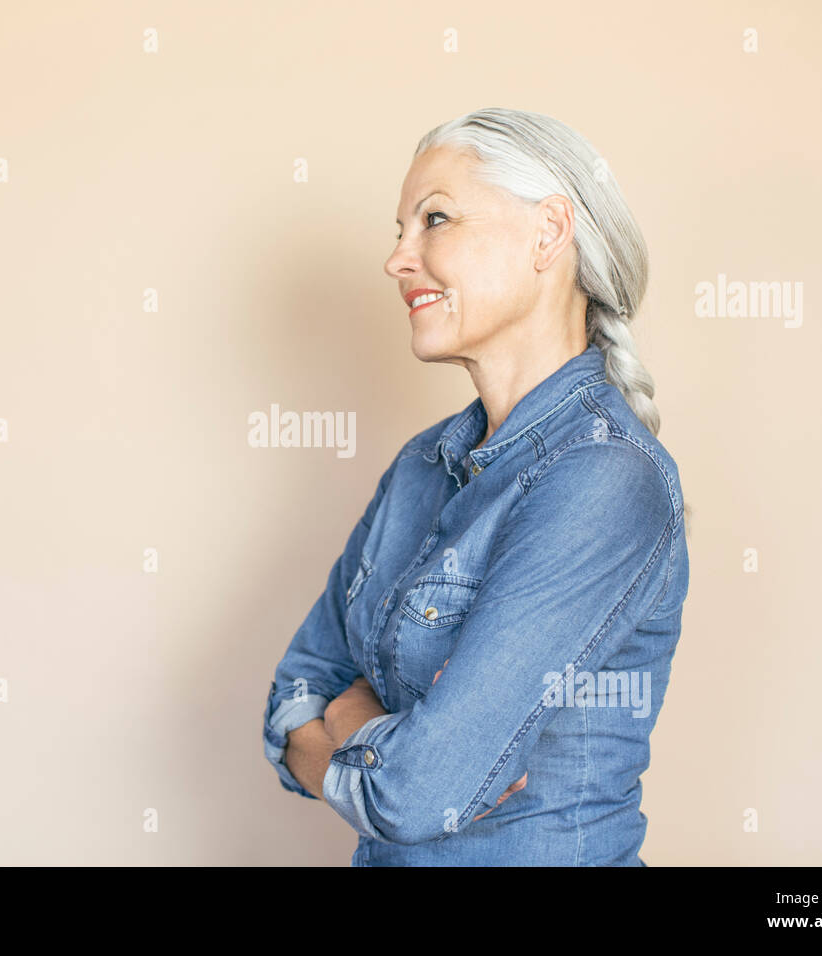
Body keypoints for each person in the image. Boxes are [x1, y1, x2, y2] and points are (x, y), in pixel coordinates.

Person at [261, 108, 692, 865]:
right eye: (399, 230)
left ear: (548, 233)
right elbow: (293, 694)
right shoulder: (421, 466)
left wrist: (351, 723)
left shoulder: (604, 478)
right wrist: (383, 743)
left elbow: (418, 794)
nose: (398, 259)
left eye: (435, 219)